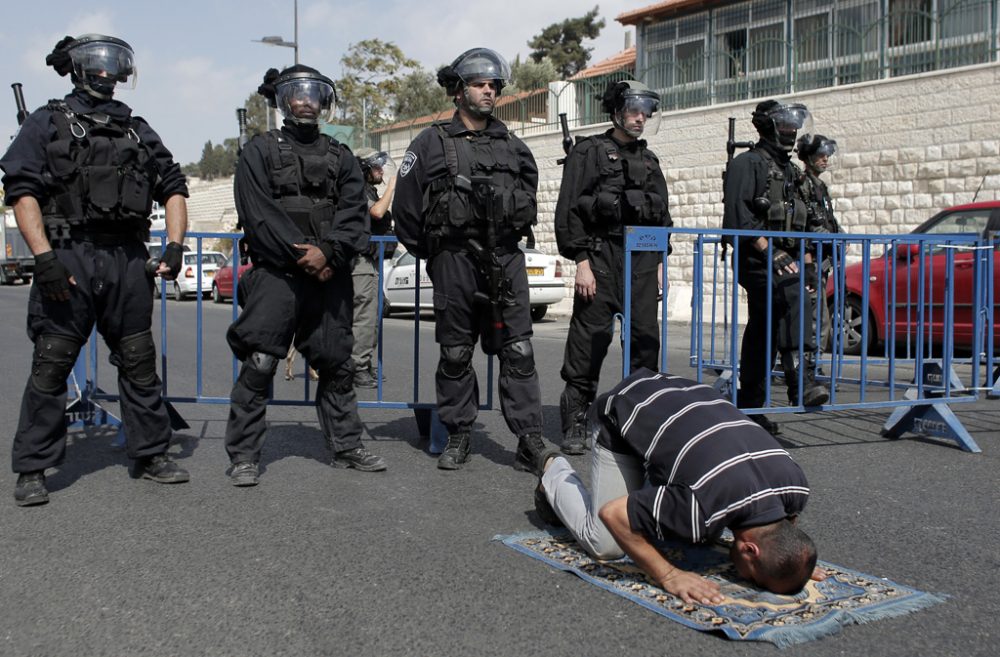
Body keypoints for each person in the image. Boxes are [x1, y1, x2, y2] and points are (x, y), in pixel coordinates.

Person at [0, 34, 191, 506]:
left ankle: (149, 453)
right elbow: (22, 192)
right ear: (78, 69)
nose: (106, 73)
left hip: (127, 258)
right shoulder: (47, 121)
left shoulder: (137, 130)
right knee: (52, 365)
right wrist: (43, 257)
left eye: (114, 65)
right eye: (97, 64)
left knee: (139, 362)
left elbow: (174, 186)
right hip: (68, 255)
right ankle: (33, 468)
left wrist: (175, 245)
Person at [223, 64, 386, 486]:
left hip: (329, 276)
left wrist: (329, 253)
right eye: (296, 92)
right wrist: (305, 255)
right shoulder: (258, 152)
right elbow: (259, 216)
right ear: (282, 100)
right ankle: (244, 455)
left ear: (324, 101)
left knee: (338, 366)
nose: (305, 100)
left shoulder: (342, 156)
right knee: (259, 363)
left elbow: (355, 216)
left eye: (313, 93)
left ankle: (347, 445)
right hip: (278, 275)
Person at [392, 47, 553, 472]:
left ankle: (529, 439)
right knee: (456, 352)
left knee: (518, 351)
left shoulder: (514, 146)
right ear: (459, 91)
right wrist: (437, 254)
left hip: (505, 258)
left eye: (494, 85)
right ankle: (459, 433)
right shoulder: (429, 143)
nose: (489, 92)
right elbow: (405, 211)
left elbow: (530, 197)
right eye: (480, 84)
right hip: (454, 260)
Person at [536, 369, 826, 604]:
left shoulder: (797, 488)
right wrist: (670, 576)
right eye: (753, 578)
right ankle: (554, 470)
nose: (745, 579)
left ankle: (652, 481)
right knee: (606, 544)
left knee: (690, 528)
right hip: (625, 408)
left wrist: (793, 565)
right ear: (750, 550)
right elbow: (613, 514)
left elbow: (789, 527)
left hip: (681, 394)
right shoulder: (701, 508)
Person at [554, 80, 673, 456]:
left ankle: (638, 421)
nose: (641, 118)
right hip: (600, 257)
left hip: (640, 261)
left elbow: (661, 216)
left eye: (645, 112)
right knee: (588, 342)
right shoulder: (588, 152)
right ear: (617, 111)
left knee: (644, 341)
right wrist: (581, 262)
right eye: (635, 111)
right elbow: (570, 210)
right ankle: (576, 416)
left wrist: (658, 263)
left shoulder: (649, 160)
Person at [722, 100, 829, 435]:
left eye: (793, 126)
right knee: (790, 293)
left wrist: (809, 265)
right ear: (767, 127)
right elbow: (739, 218)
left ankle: (750, 405)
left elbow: (805, 225)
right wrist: (772, 253)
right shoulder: (748, 164)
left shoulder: (793, 173)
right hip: (755, 258)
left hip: (787, 260)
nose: (791, 132)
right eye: (784, 126)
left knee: (764, 330)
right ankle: (801, 379)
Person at [351, 148, 396, 389]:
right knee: (365, 316)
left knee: (373, 316)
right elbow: (377, 212)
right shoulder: (358, 190)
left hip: (371, 261)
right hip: (360, 260)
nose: (381, 171)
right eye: (376, 168)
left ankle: (366, 365)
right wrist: (392, 186)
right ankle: (357, 367)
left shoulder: (369, 190)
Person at [796, 134, 842, 369]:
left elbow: (826, 219)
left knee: (818, 315)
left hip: (820, 258)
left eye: (827, 155)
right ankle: (808, 363)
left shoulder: (819, 185)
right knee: (816, 316)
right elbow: (804, 225)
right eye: (820, 155)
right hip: (809, 258)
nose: (825, 159)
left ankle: (808, 361)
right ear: (809, 157)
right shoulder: (803, 183)